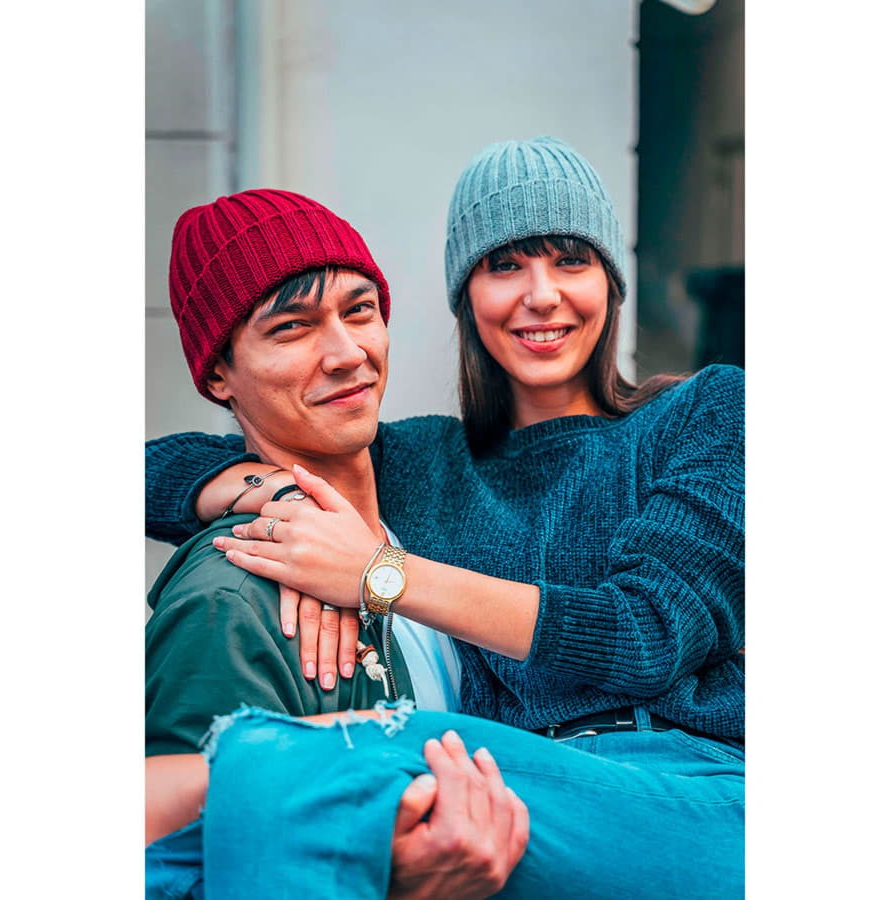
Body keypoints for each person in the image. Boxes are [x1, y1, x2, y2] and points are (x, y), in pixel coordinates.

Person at [147, 136, 745, 897]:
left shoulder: (706, 413)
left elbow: (645, 634)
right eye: (505, 265)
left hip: (694, 793)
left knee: (295, 767)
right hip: (503, 808)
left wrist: (376, 575)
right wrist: (285, 494)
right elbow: (154, 468)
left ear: (611, 282)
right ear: (467, 294)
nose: (542, 295)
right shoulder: (418, 459)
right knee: (259, 821)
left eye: (572, 260)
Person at [145, 189, 526, 898]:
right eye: (292, 328)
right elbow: (178, 868)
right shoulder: (232, 595)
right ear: (219, 373)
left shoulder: (439, 505)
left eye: (360, 311)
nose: (348, 354)